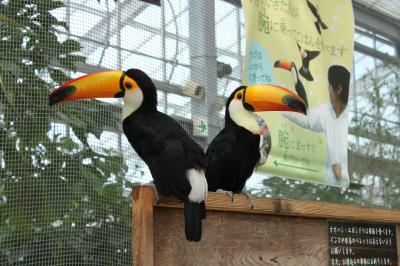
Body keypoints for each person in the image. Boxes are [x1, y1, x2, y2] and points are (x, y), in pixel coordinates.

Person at [283, 65, 350, 187]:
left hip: (345, 189)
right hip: (329, 186)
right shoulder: (326, 112)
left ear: (338, 89)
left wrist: (343, 172)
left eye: (329, 86)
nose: (328, 90)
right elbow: (306, 118)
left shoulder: (350, 117)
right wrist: (281, 108)